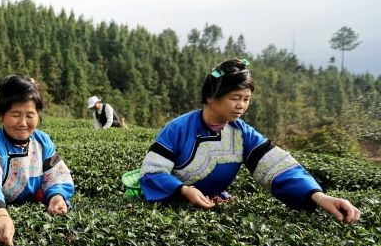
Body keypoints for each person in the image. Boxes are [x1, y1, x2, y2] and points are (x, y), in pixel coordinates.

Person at [138, 58, 361, 224]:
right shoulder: (177, 128)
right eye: (235, 98)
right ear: (210, 97)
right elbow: (152, 172)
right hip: (171, 205)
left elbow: (277, 167)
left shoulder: (242, 133)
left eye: (246, 99)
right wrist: (184, 191)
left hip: (212, 206)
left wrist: (319, 197)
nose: (241, 105)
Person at [0, 75, 75, 246]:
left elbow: (55, 173)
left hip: (34, 199)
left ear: (38, 116)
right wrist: (0, 214)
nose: (23, 123)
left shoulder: (42, 141)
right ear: (2, 116)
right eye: (15, 114)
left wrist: (56, 196)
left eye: (30, 115)